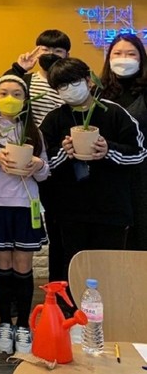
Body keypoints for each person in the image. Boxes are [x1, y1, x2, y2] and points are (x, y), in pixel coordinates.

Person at [41, 57, 145, 281]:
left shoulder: (114, 113)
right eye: (61, 86)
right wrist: (64, 152)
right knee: (71, 268)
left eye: (73, 82)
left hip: (111, 210)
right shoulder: (54, 119)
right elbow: (42, 165)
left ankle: (107, 304)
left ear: (89, 80)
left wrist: (108, 150)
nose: (69, 89)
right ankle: (71, 303)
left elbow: (139, 154)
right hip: (68, 211)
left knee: (108, 269)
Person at [0, 29, 71, 282]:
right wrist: (18, 69)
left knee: (58, 229)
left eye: (58, 51)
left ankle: (58, 286)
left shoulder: (67, 85)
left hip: (56, 161)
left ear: (67, 55)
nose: (51, 54)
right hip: (22, 162)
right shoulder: (27, 81)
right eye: (45, 49)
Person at [0, 75, 49, 355]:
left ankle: (24, 325)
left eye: (17, 94)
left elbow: (45, 171)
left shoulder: (34, 130)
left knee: (23, 266)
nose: (10, 99)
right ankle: (5, 323)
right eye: (4, 93)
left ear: (26, 100)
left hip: (26, 206)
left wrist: (38, 165)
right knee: (2, 265)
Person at [99, 33, 147, 250]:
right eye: (117, 53)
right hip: (108, 173)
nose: (123, 58)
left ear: (141, 58)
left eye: (131, 54)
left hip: (142, 174)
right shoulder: (98, 91)